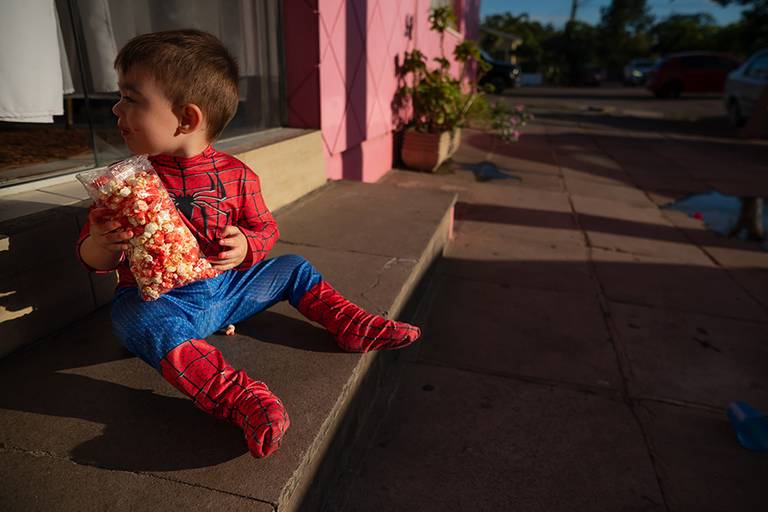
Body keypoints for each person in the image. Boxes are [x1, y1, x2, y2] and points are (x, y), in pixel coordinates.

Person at [76, 29, 421, 459]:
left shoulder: (238, 176)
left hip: (225, 292)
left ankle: (350, 324)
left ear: (185, 119)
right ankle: (241, 399)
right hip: (159, 303)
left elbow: (265, 229)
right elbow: (93, 261)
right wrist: (100, 240)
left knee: (293, 265)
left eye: (131, 98)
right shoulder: (125, 183)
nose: (116, 109)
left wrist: (248, 246)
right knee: (137, 319)